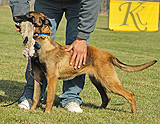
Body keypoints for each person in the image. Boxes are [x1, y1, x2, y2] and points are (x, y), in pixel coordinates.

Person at [9, 0, 100, 113]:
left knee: (77, 53)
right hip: (47, 2)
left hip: (79, 3)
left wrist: (82, 37)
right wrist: (23, 20)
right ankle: (31, 97)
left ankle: (70, 98)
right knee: (37, 48)